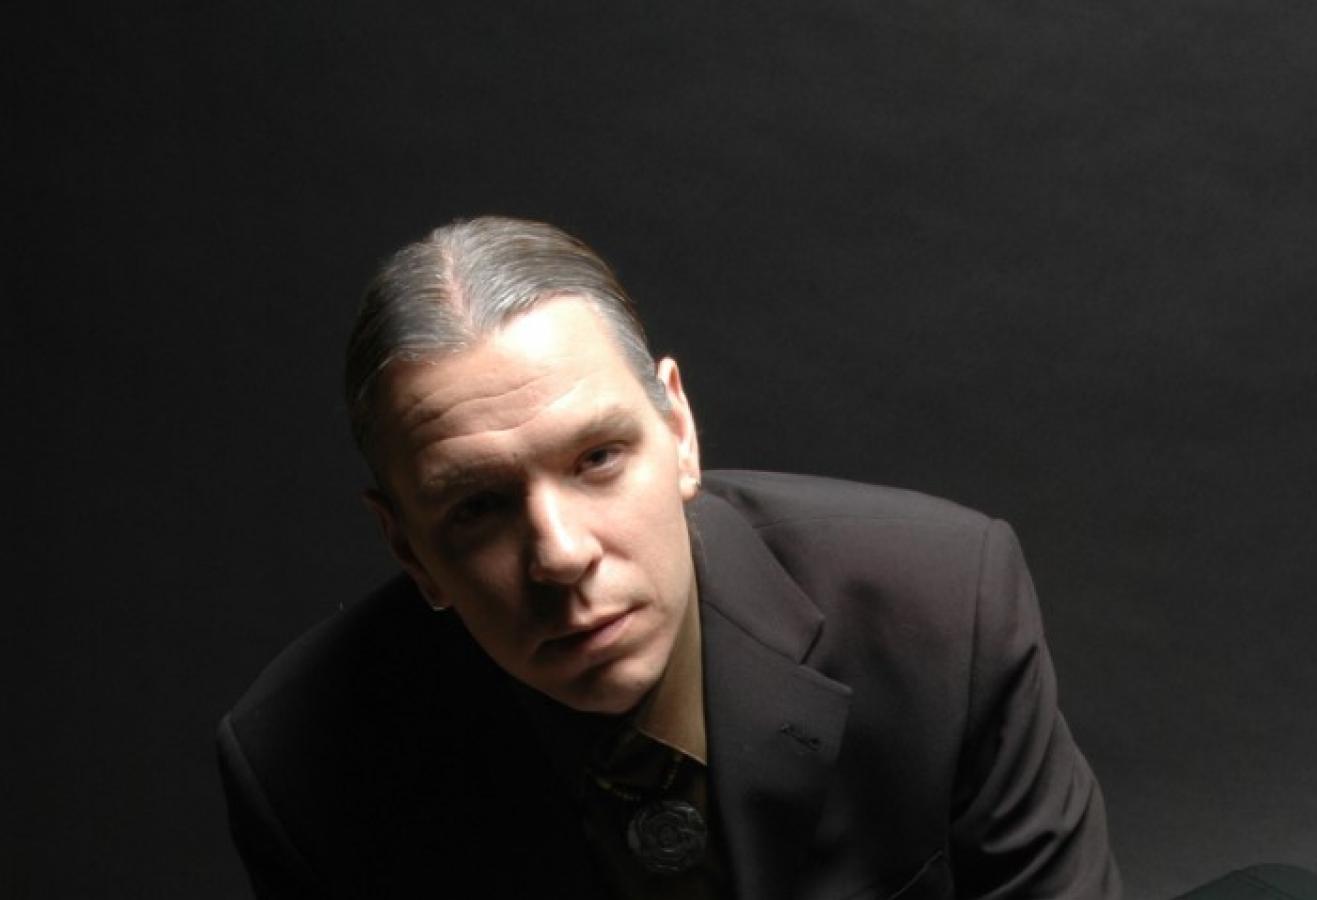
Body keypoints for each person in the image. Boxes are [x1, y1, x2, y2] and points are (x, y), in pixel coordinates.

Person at [218, 216, 1121, 899]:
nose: (560, 555)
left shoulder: (941, 603)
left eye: (598, 459)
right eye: (480, 507)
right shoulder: (301, 769)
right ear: (408, 548)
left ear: (679, 432)